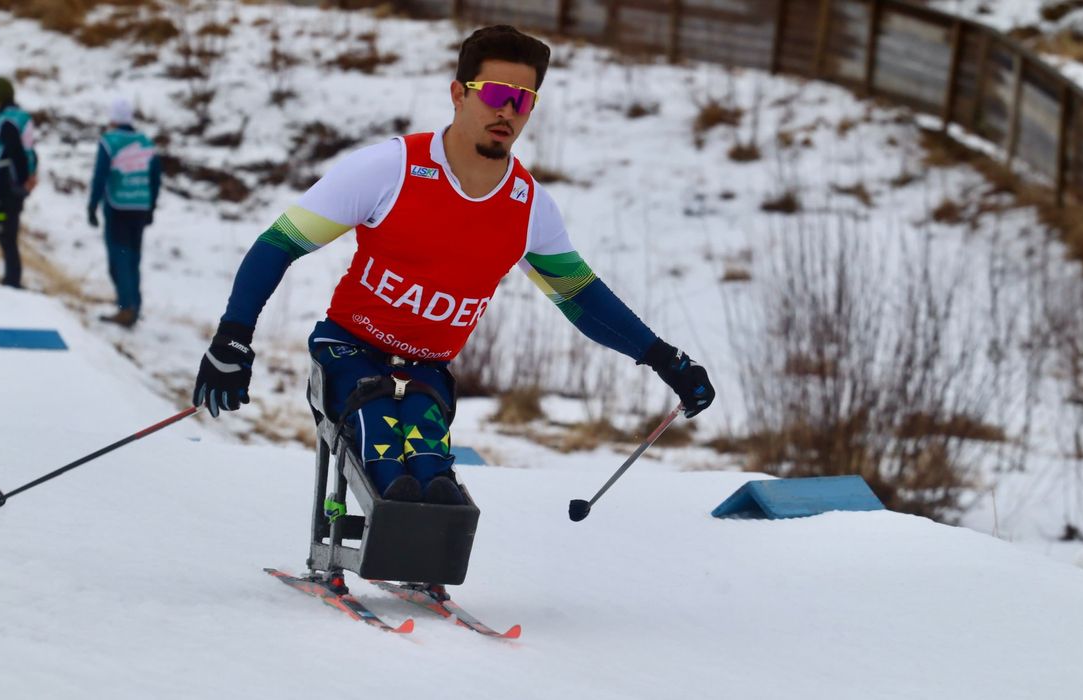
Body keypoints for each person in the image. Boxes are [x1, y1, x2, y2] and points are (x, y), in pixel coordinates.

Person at [192, 25, 715, 508]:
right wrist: (233, 337)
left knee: (432, 476)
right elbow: (280, 241)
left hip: (426, 369)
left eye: (523, 100)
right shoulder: (389, 168)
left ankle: (426, 563)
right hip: (348, 351)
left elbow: (580, 297)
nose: (506, 110)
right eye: (493, 93)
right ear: (459, 93)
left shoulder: (529, 207)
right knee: (380, 455)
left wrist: (665, 359)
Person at [87, 97, 161, 328]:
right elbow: (155, 178)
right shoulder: (147, 143)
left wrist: (92, 205)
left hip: (117, 207)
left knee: (118, 258)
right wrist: (151, 206)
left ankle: (126, 308)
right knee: (133, 258)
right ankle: (134, 305)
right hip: (139, 207)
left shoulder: (109, 142)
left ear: (113, 118)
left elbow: (100, 176)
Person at [0, 77, 38, 289]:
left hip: (5, 187)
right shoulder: (16, 118)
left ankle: (12, 280)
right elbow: (29, 151)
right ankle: (11, 277)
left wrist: (22, 182)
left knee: (5, 230)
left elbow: (14, 154)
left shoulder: (8, 122)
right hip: (9, 187)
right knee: (5, 230)